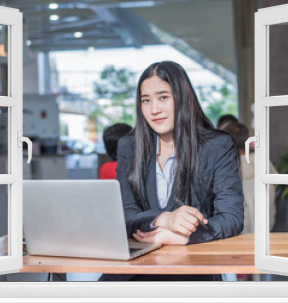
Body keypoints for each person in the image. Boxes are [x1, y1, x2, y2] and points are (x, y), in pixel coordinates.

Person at [100, 61, 244, 281]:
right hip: (131, 274)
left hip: (190, 273)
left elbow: (232, 218)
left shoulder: (216, 146)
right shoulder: (129, 146)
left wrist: (185, 237)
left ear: (183, 97)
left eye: (163, 97)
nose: (154, 109)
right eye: (146, 100)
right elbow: (125, 215)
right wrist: (164, 219)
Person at [225, 122, 277, 233]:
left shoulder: (226, 163)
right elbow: (275, 179)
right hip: (264, 220)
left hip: (238, 225)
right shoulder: (261, 159)